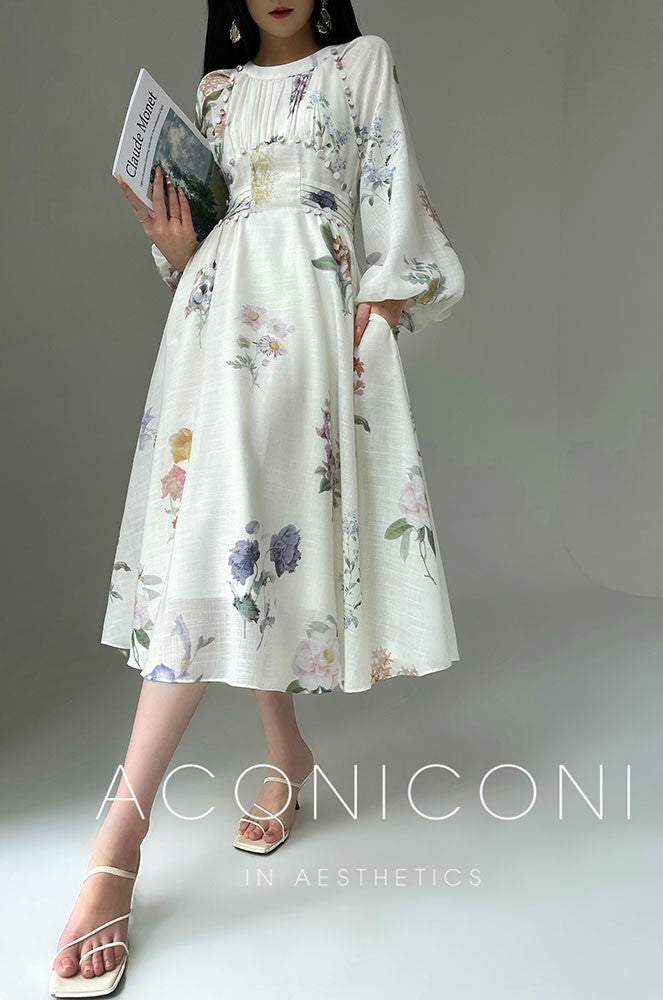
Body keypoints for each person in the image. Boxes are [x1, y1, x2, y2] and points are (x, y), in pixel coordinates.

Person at [50, 0, 465, 994]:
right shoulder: (217, 93)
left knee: (237, 542)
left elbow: (390, 187)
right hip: (214, 320)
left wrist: (379, 313)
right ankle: (286, 751)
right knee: (237, 540)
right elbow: (201, 240)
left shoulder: (361, 64)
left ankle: (120, 836)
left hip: (309, 322)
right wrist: (171, 240)